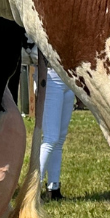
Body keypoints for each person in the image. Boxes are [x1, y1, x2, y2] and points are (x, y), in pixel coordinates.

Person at [36, 63, 75, 200]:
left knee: (59, 139)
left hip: (68, 75)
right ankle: (33, 189)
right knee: (50, 138)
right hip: (50, 75)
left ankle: (54, 188)